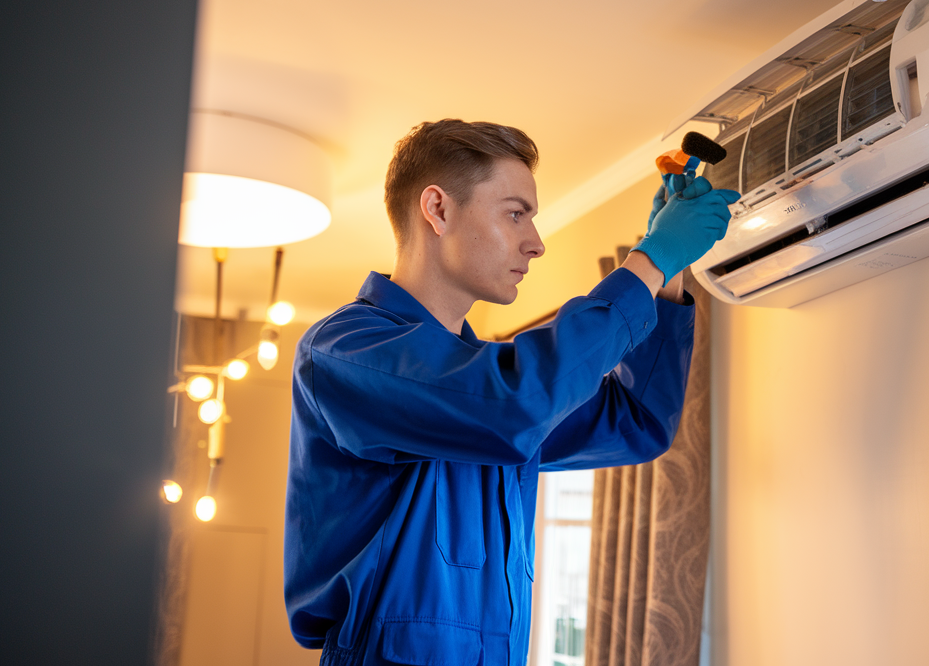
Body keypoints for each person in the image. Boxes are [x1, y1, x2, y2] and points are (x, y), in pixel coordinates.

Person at [283, 119, 739, 666]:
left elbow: (637, 423)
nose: (536, 242)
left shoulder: (484, 379)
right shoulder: (344, 350)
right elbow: (514, 404)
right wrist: (646, 260)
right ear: (438, 209)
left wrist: (666, 274)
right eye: (515, 213)